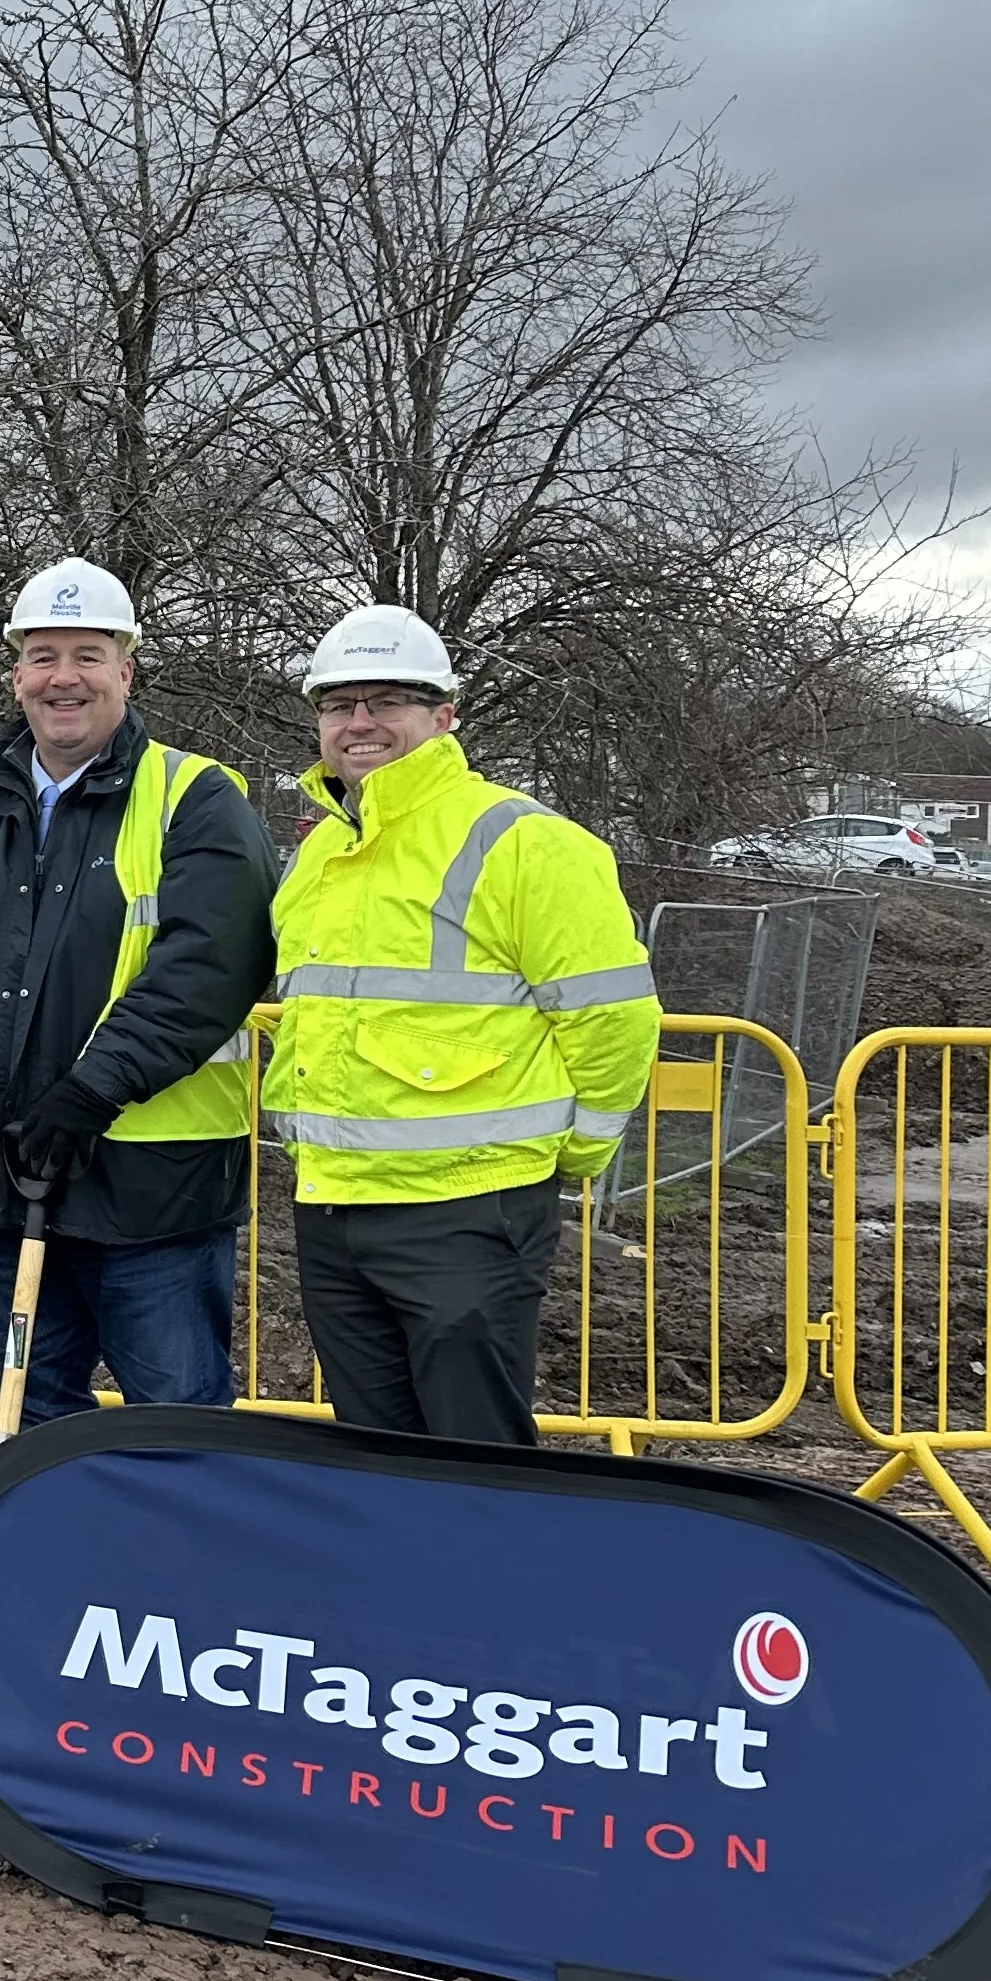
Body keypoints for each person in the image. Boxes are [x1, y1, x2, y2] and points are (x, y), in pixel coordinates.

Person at [0, 561, 277, 1429]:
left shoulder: (196, 800)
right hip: (0, 1174)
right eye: (43, 655)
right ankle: (51, 1571)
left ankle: (176, 1572)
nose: (64, 677)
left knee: (175, 1429)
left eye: (88, 654)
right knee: (30, 1424)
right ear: (16, 674)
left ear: (126, 669)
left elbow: (209, 965)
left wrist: (93, 1090)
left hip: (151, 1194)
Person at [266, 605, 660, 1442]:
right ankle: (400, 1579)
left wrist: (573, 1149)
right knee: (376, 1449)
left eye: (387, 701)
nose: (361, 722)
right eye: (340, 704)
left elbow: (615, 1019)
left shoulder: (524, 841)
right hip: (334, 1204)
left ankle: (500, 1579)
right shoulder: (322, 855)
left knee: (475, 1454)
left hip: (470, 1205)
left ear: (443, 715)